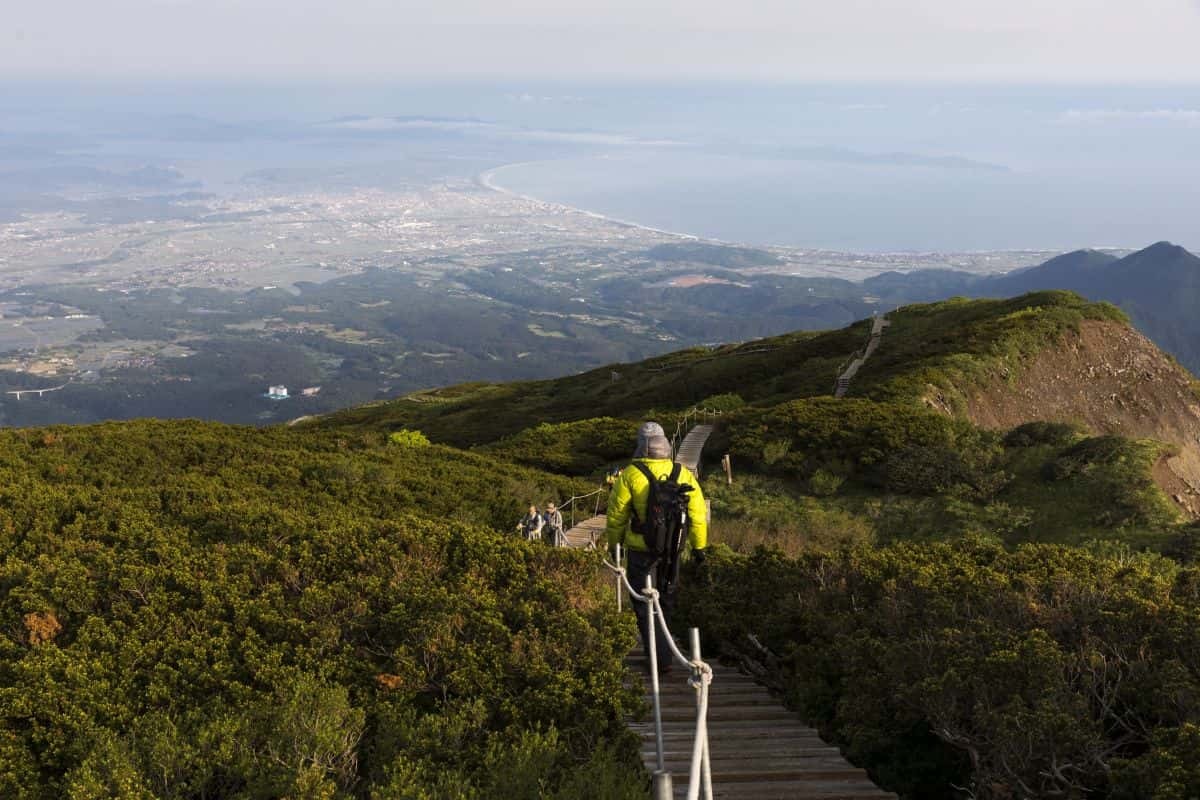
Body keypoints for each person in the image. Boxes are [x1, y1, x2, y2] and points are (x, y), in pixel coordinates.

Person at [606, 434, 707, 675]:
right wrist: (699, 548)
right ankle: (664, 652)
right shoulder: (681, 473)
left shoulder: (630, 474)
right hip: (673, 549)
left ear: (641, 447)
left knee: (643, 603)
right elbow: (697, 513)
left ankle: (659, 658)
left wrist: (615, 546)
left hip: (641, 551)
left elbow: (617, 516)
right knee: (666, 601)